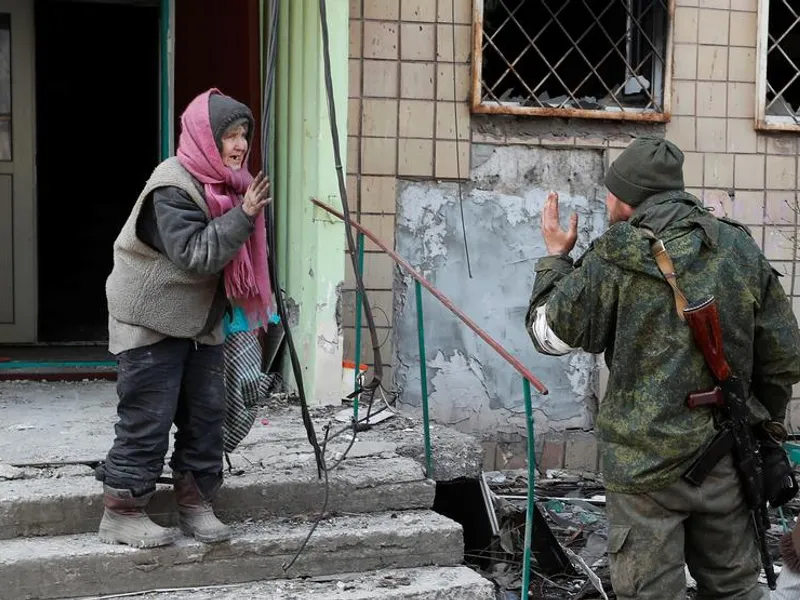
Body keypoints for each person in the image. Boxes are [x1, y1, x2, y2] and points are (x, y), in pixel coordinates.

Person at [525, 136, 800, 599]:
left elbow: (548, 336)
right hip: (726, 460)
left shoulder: (615, 253)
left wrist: (555, 259)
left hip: (642, 472)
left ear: (628, 199)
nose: (607, 199)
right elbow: (782, 361)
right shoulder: (736, 245)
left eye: (611, 190)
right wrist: (764, 433)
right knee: (736, 590)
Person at [97, 88, 274, 548]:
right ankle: (122, 510)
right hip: (151, 315)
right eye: (229, 136)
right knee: (148, 414)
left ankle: (196, 503)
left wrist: (243, 211)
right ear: (203, 136)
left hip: (198, 320)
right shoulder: (171, 186)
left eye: (243, 137)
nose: (238, 146)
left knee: (206, 414)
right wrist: (246, 214)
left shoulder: (230, 185)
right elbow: (196, 254)